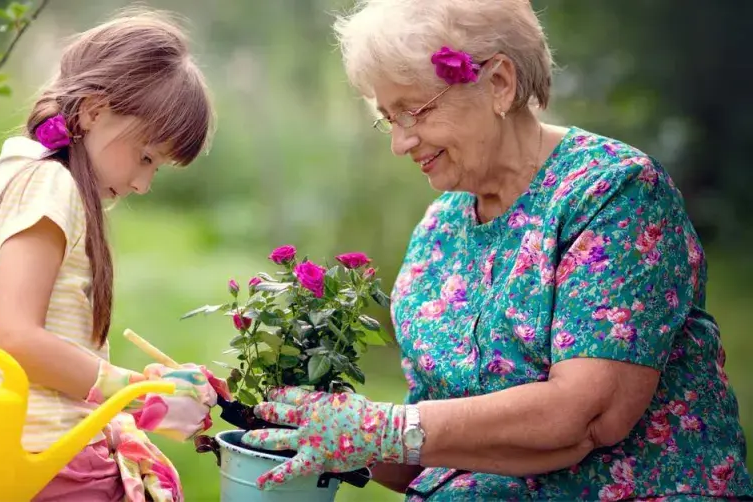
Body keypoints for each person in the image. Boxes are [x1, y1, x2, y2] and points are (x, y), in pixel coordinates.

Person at [241, 0, 753, 499]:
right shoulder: (438, 230)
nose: (400, 143)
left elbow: (588, 416)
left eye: (413, 111)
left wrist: (384, 427)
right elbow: (428, 444)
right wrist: (314, 429)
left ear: (499, 83)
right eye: (388, 119)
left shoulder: (612, 192)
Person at [0, 9, 228, 502]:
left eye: (157, 169)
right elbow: (16, 337)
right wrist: (134, 396)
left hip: (34, 440)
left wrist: (147, 387)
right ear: (95, 111)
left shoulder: (44, 182)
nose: (143, 184)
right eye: (146, 157)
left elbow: (48, 341)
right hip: (39, 451)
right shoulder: (50, 184)